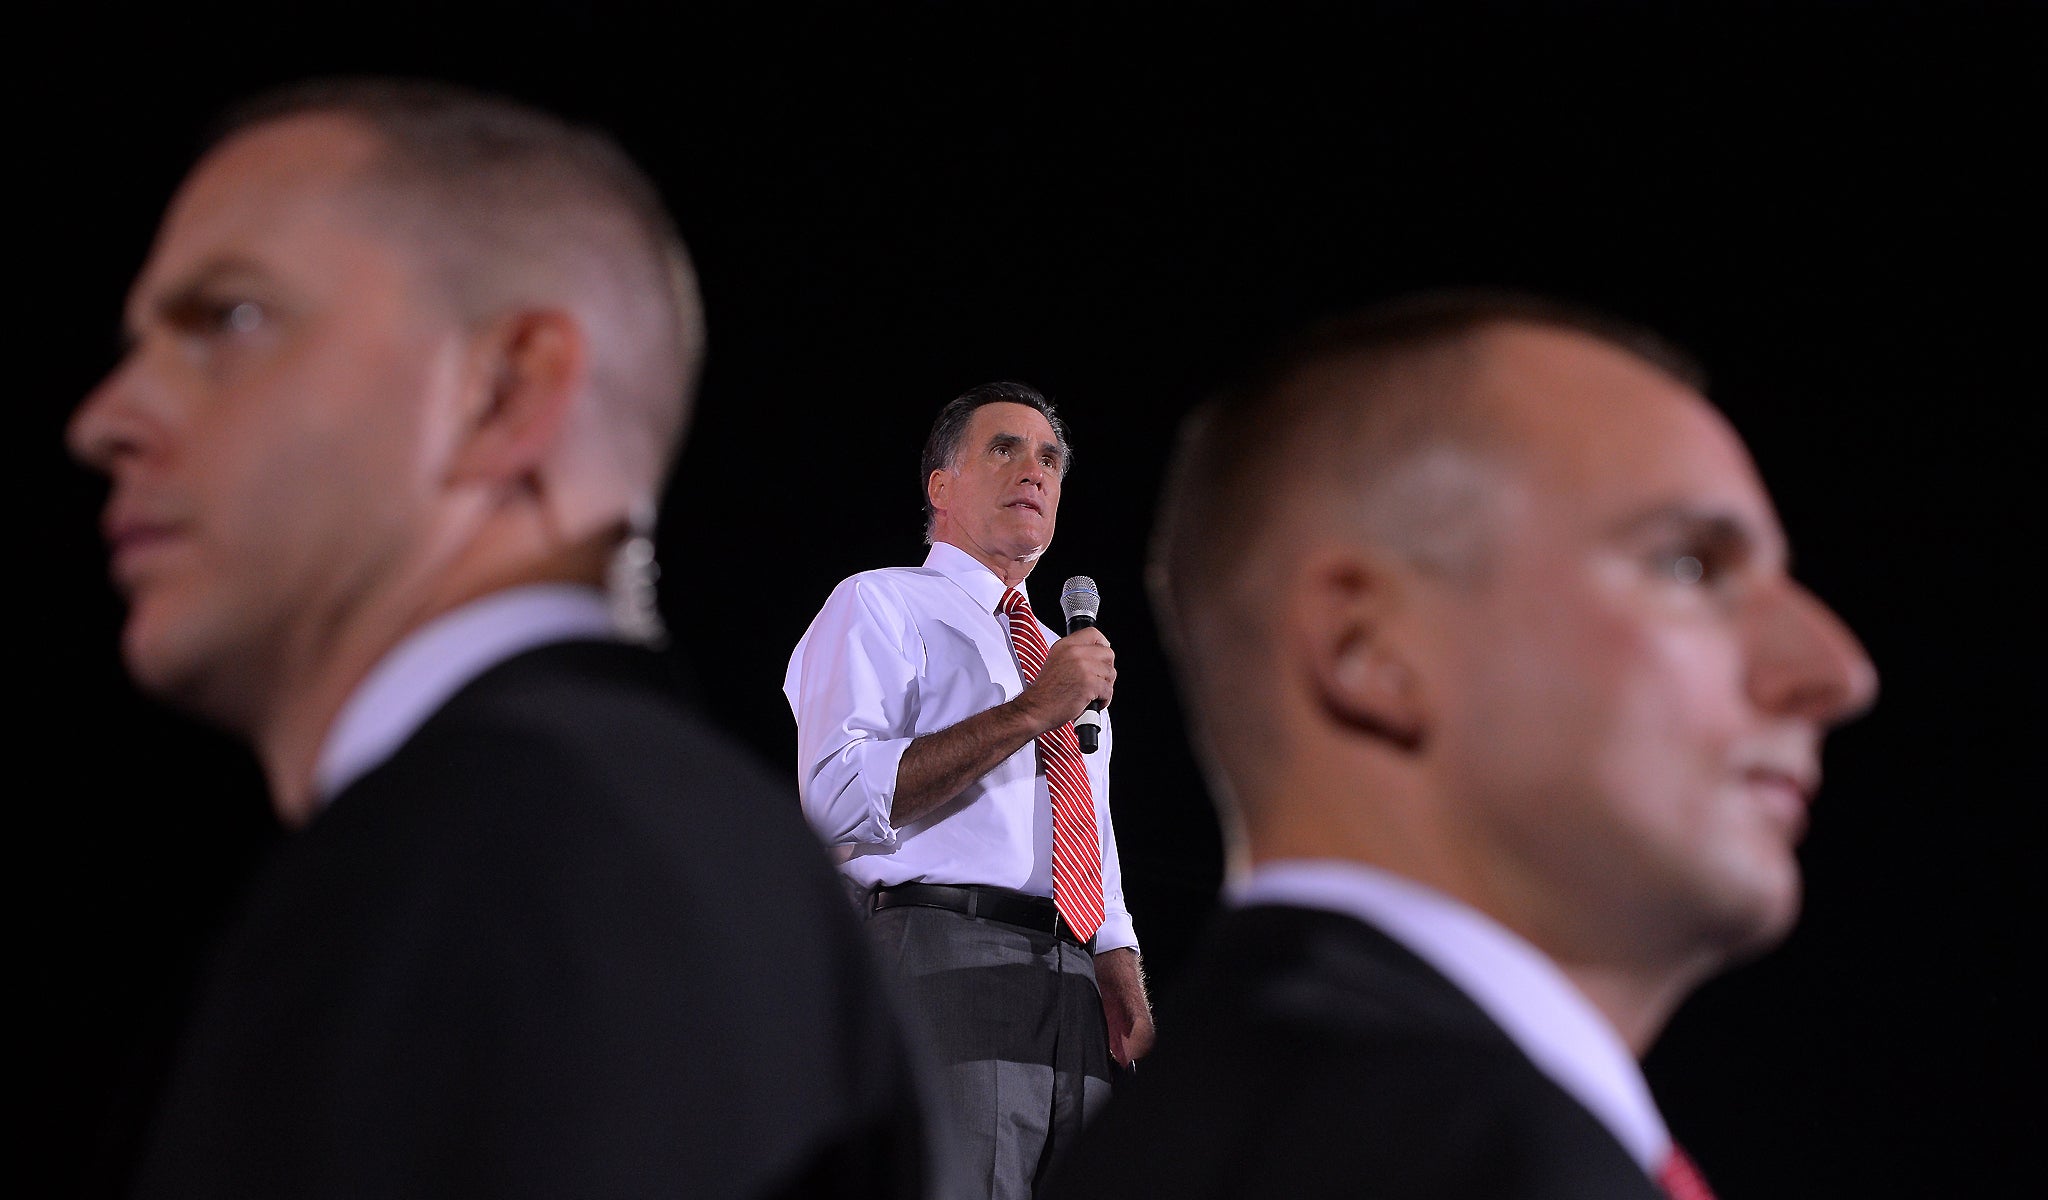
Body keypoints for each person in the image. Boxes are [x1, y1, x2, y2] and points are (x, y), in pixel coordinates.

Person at [69, 78, 924, 1199]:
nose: (105, 419)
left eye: (228, 319)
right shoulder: (648, 843)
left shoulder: (511, 866)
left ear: (503, 391)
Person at [1048, 292, 1879, 1199]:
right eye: (1689, 565)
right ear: (1370, 652)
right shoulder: (1447, 1159)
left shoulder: (1237, 1126)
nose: (1836, 671)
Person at [783, 382, 1156, 1197]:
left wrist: (1118, 961)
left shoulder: (1065, 655)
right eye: (1005, 448)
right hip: (941, 952)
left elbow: (1087, 821)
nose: (1036, 471)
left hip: (1075, 989)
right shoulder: (880, 604)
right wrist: (1031, 710)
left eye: (1051, 458)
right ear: (940, 486)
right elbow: (836, 803)